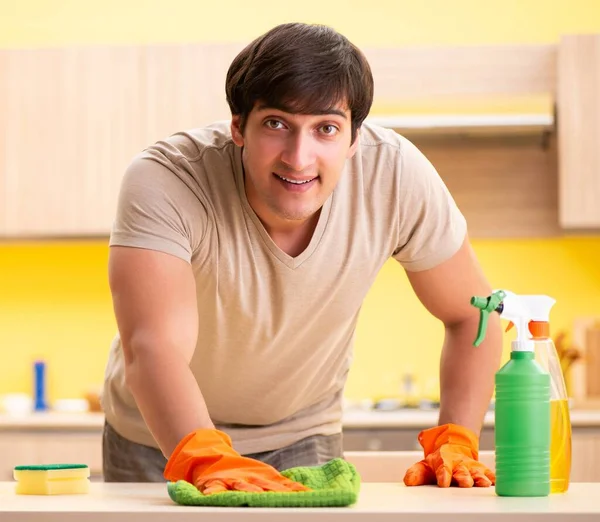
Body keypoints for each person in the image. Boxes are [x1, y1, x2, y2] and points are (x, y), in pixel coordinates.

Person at [101, 22, 502, 492]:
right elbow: (153, 347)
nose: (299, 156)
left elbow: (475, 314)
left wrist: (457, 438)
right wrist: (205, 458)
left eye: (326, 129)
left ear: (354, 139)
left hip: (301, 434)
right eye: (276, 124)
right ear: (238, 127)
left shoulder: (394, 176)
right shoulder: (167, 179)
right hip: (160, 439)